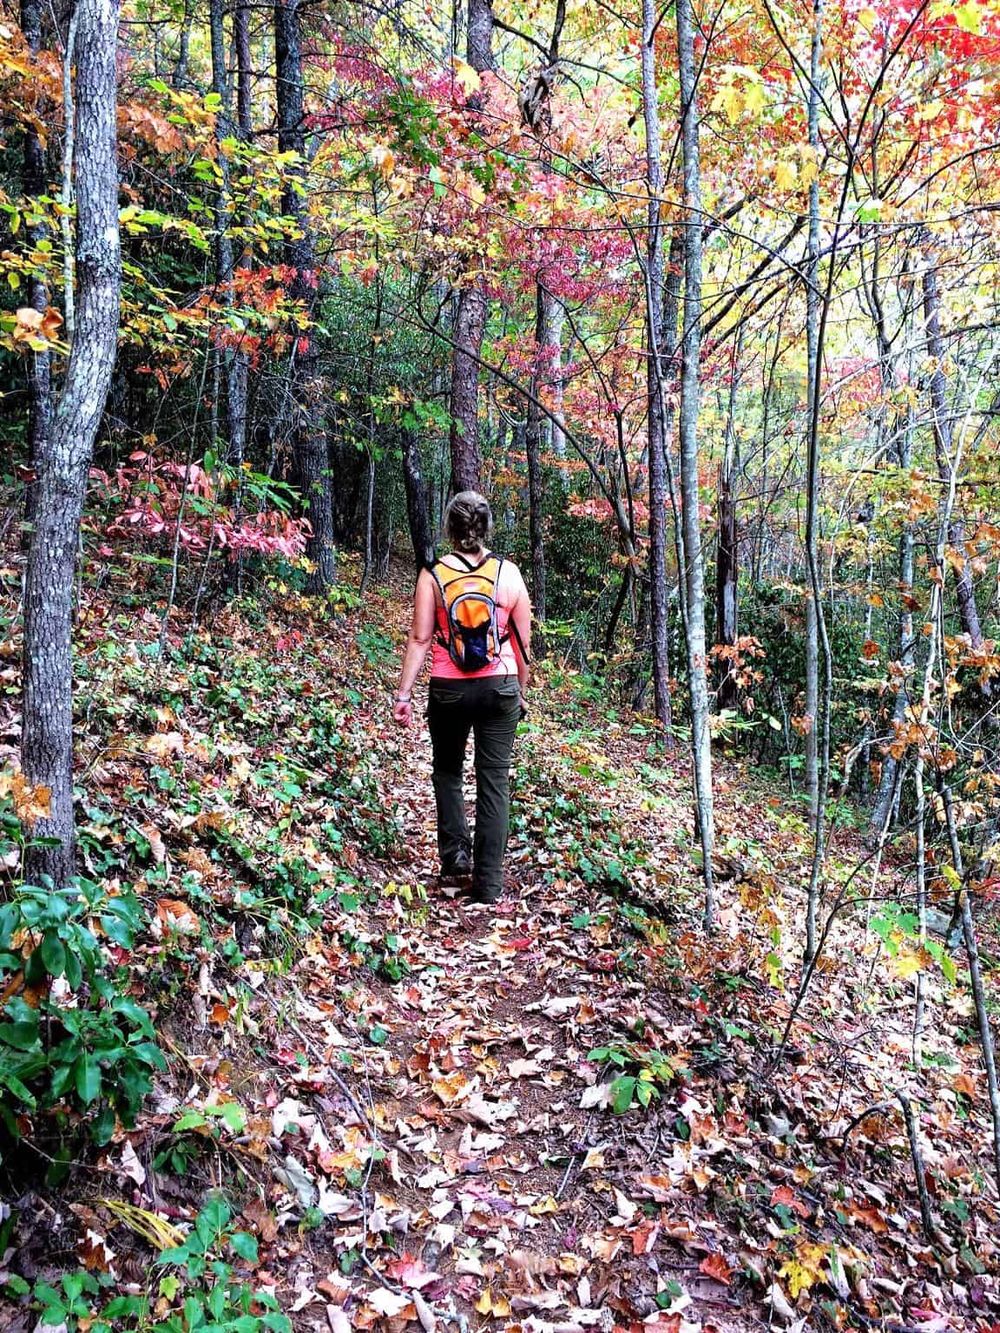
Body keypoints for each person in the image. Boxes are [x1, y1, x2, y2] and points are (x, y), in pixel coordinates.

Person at [393, 491, 531, 903]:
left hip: (449, 688)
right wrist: (520, 692)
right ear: (486, 526)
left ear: (450, 528)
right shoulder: (509, 575)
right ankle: (489, 884)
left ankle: (455, 861)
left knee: (448, 772)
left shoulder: (432, 576)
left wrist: (404, 694)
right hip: (499, 686)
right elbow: (523, 645)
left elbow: (420, 639)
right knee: (494, 781)